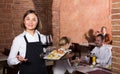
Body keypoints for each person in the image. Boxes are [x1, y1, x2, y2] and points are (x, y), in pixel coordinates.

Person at [7, 10, 47, 74]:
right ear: (24, 21)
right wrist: (18, 60)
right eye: (28, 19)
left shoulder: (43, 38)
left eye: (34, 20)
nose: (30, 22)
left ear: (37, 22)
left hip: (42, 71)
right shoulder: (18, 39)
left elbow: (45, 55)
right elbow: (9, 61)